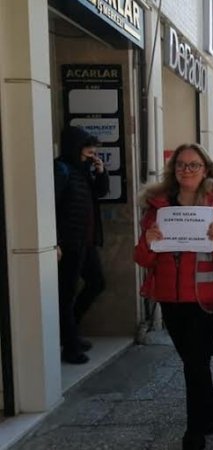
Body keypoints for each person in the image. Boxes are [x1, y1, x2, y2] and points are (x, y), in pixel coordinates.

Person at [134, 143, 213, 450]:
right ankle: (209, 400)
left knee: (194, 364)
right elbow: (142, 260)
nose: (187, 170)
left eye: (194, 165)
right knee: (193, 362)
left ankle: (194, 431)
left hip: (206, 302)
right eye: (181, 165)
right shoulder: (157, 208)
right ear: (173, 170)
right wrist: (148, 241)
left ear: (206, 169)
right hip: (169, 301)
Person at [54, 126, 109, 365]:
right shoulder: (62, 169)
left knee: (96, 283)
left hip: (85, 243)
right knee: (66, 295)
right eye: (88, 151)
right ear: (75, 149)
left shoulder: (82, 171)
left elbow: (101, 191)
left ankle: (70, 332)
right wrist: (54, 242)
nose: (91, 155)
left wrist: (101, 171)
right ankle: (70, 346)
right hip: (68, 245)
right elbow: (50, 206)